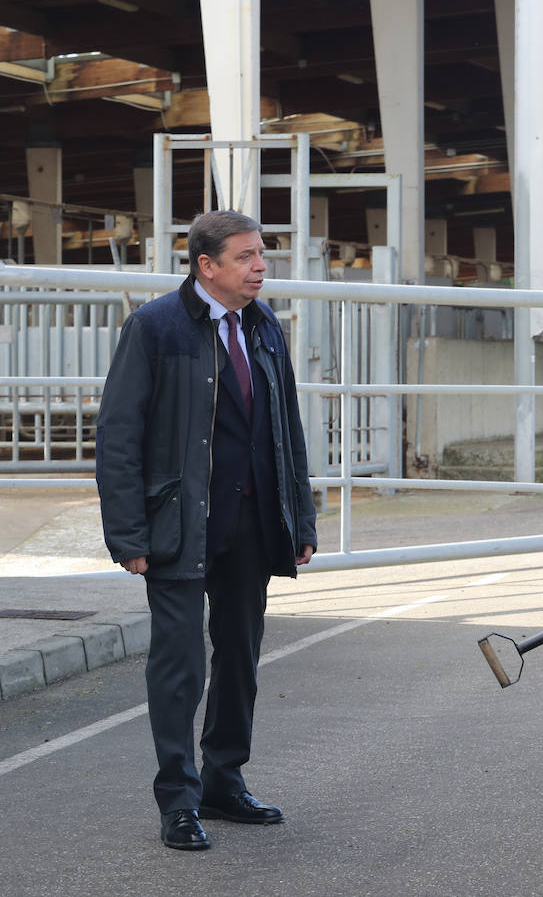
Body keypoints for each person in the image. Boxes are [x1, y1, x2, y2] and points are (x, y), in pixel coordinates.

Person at [96, 209, 317, 851]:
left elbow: (287, 431)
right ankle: (178, 800)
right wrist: (129, 535)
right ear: (206, 266)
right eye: (246, 257)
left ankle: (224, 781)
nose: (260, 267)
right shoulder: (155, 328)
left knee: (241, 656)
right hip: (177, 524)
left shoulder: (264, 325)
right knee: (180, 665)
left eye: (262, 255)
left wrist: (298, 516)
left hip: (251, 524)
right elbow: (118, 437)